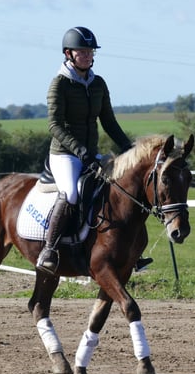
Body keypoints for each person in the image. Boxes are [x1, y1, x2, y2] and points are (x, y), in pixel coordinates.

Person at [37, 26, 153, 274]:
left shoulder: (98, 83)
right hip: (65, 155)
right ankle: (50, 248)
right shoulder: (59, 84)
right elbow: (54, 125)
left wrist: (128, 148)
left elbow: (109, 122)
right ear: (68, 53)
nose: (88, 55)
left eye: (91, 51)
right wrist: (80, 151)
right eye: (83, 51)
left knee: (120, 188)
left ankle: (132, 251)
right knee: (70, 193)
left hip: (91, 153)